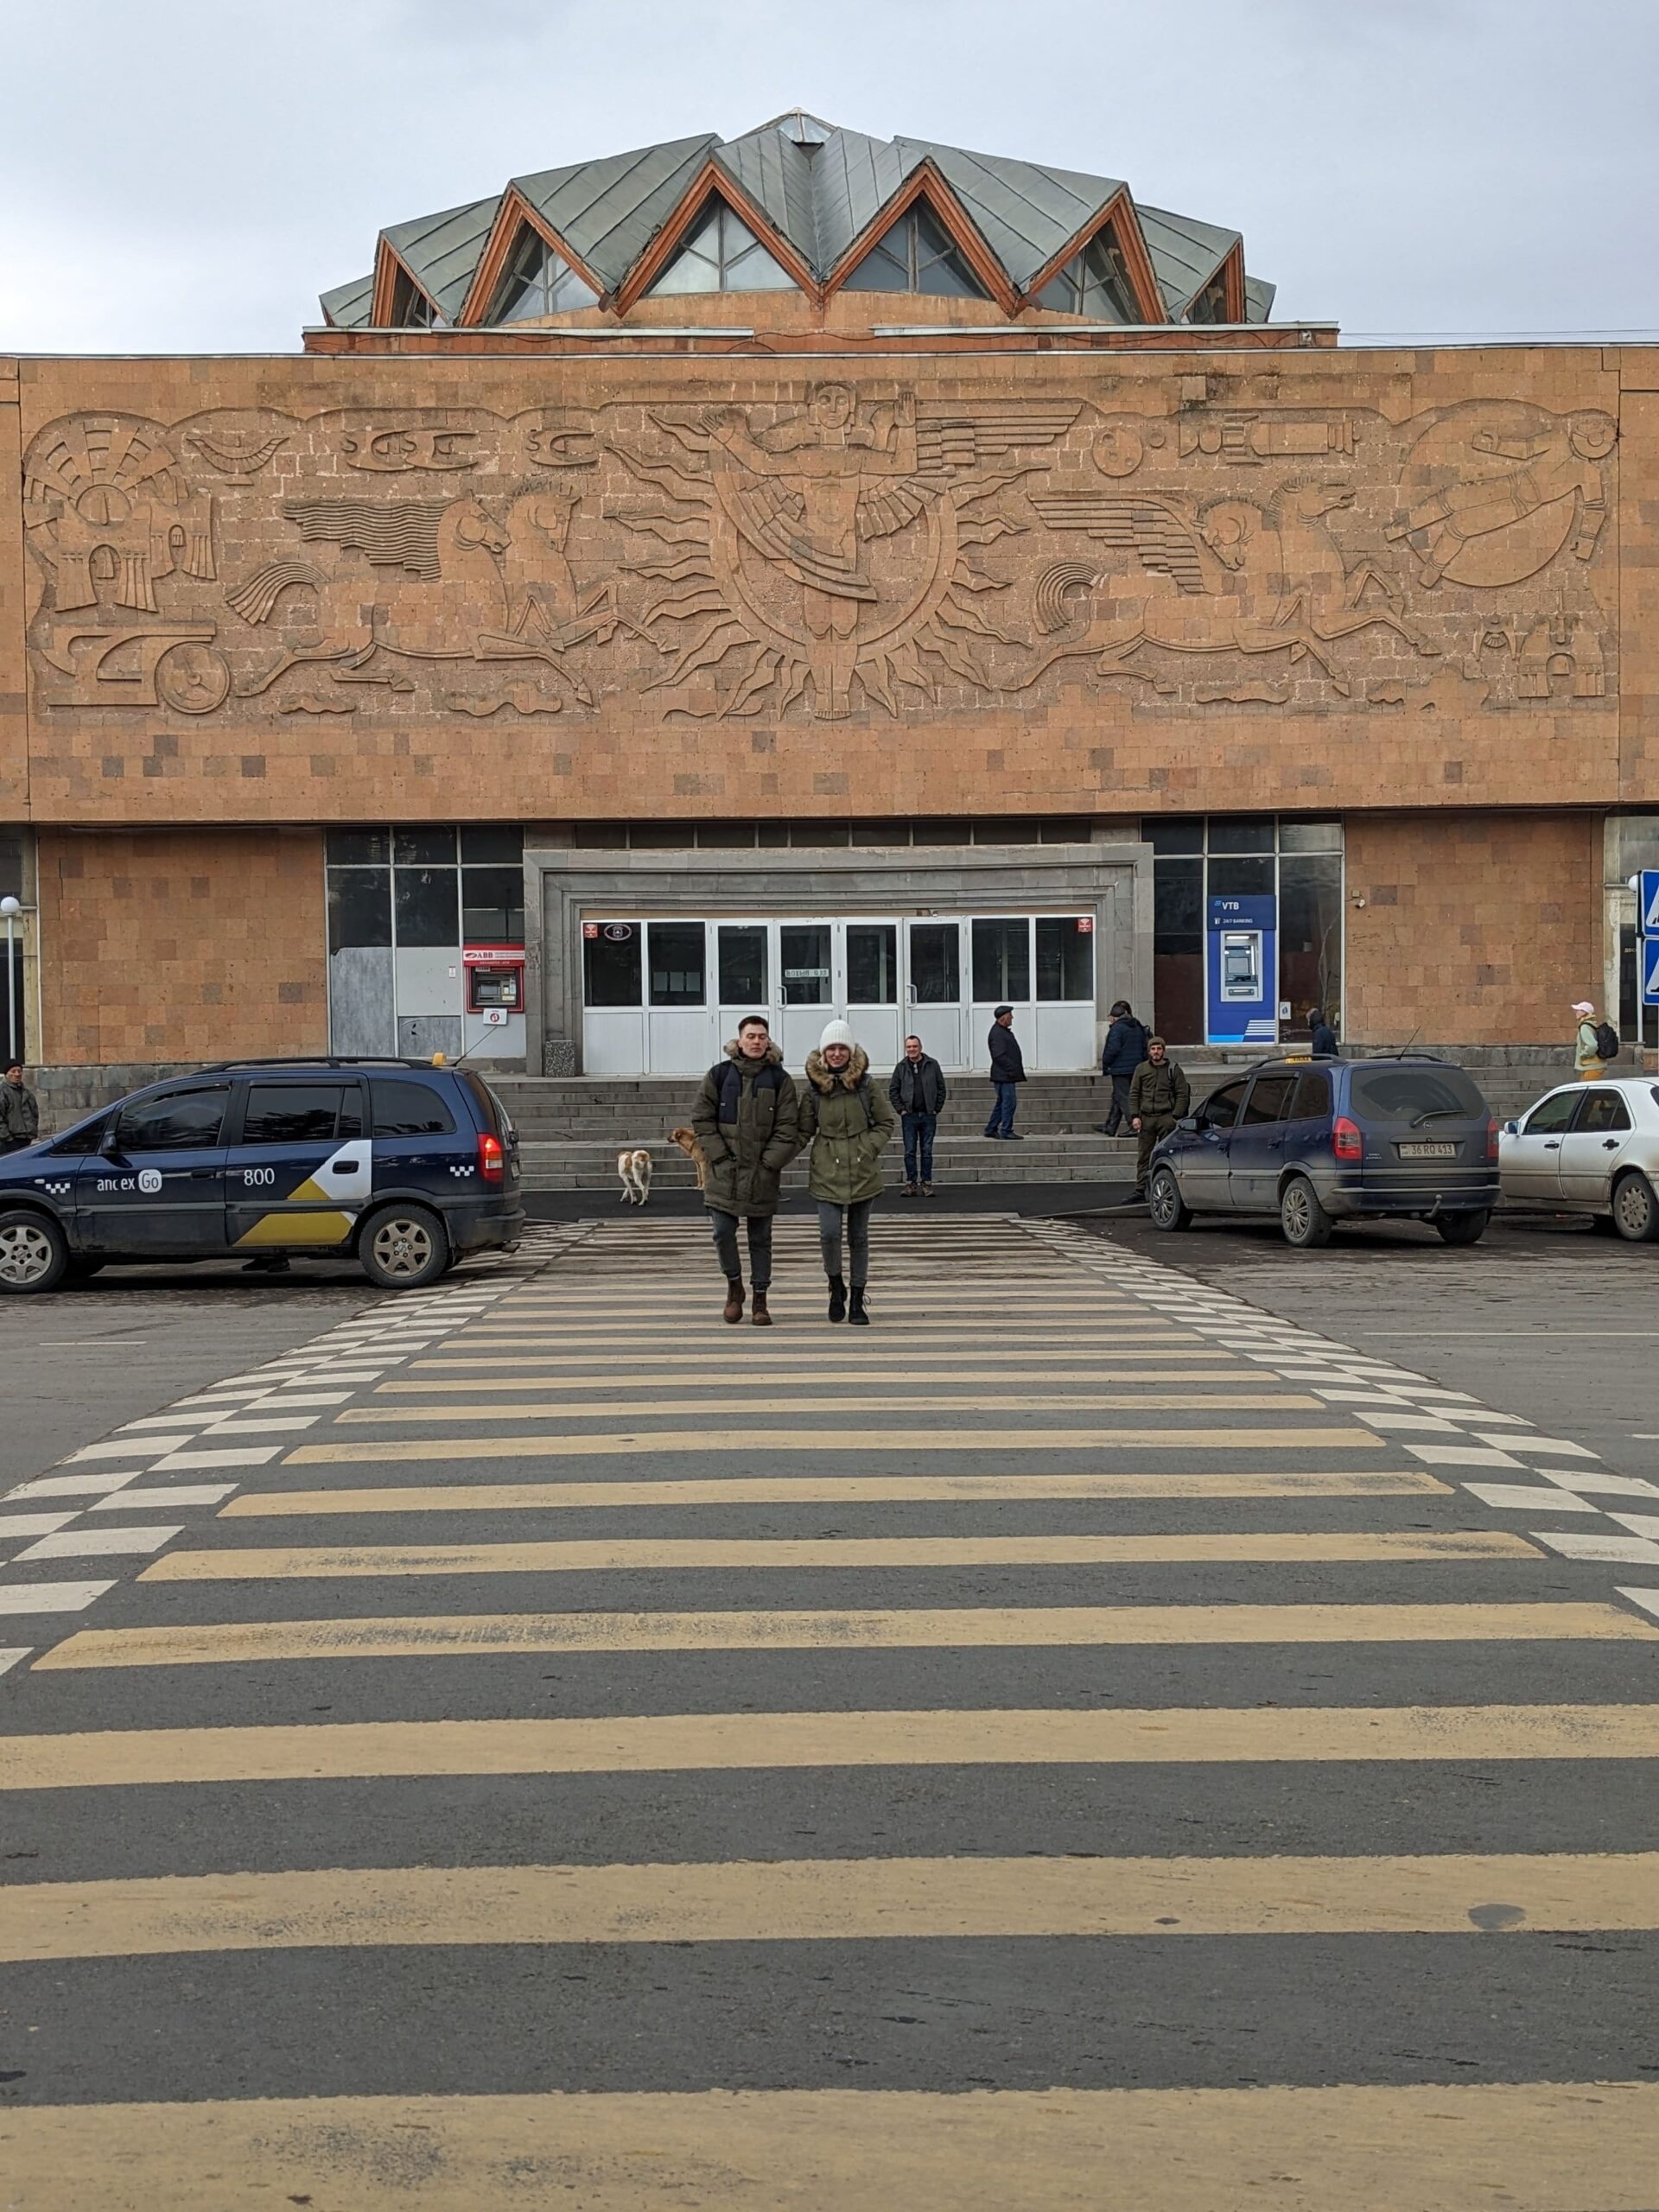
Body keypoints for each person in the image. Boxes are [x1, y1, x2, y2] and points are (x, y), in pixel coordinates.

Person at [690, 1014, 800, 1326]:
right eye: (750, 1036)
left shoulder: (780, 1080)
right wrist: (720, 1158)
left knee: (761, 1239)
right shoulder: (720, 1075)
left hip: (762, 1175)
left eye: (761, 1036)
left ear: (768, 1041)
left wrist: (769, 1163)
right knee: (722, 1232)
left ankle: (760, 1300)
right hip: (724, 1173)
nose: (756, 1041)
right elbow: (702, 1120)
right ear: (739, 1041)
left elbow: (788, 1128)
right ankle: (734, 1285)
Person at [799, 1018, 895, 1325]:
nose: (837, 1054)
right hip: (827, 1170)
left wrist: (868, 1147)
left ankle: (857, 1298)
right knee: (829, 1234)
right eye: (832, 1048)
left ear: (850, 1052)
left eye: (842, 1048)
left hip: (862, 1169)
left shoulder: (867, 1086)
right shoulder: (814, 1090)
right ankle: (835, 1286)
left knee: (859, 1237)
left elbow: (885, 1123)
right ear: (824, 1053)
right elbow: (802, 1130)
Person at [1128, 1035, 1192, 1199]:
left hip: (1166, 1118)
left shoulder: (1174, 1069)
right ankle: (1140, 1190)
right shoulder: (1141, 1069)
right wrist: (1135, 1116)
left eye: (1159, 1048)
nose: (1156, 1052)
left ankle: (1165, 1190)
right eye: (1153, 1049)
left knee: (1165, 1156)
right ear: (1149, 1051)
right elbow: (1134, 1093)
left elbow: (1182, 1094)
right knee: (1144, 1156)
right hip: (1146, 1118)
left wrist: (1175, 1116)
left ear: (1164, 1050)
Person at [889, 1033, 947, 1195]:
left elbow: (941, 1088)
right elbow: (893, 1090)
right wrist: (901, 1109)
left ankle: (927, 1183)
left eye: (914, 1046)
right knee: (909, 1151)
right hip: (909, 1116)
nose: (912, 1049)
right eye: (909, 1047)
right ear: (905, 1049)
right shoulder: (901, 1067)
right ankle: (911, 1183)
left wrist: (937, 1108)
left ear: (920, 1047)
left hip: (928, 1115)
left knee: (927, 1151)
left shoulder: (932, 1065)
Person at [1096, 1000, 1149, 1135]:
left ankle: (1133, 1125)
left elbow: (1112, 1049)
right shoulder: (1136, 1026)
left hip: (1120, 1069)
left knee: (1124, 1097)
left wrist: (1106, 1063)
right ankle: (1110, 1126)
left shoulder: (1117, 1028)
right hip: (1135, 1068)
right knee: (1118, 1097)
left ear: (1114, 1017)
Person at [984, 1005, 1026, 1140]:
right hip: (1004, 1075)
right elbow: (999, 1055)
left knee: (1002, 1103)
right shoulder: (998, 1033)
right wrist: (1012, 1068)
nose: (1012, 1018)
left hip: (1004, 1074)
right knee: (1009, 1103)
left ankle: (991, 1128)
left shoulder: (1001, 1031)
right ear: (1003, 1018)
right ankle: (1006, 1130)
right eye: (1010, 1015)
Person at [0, 1061, 39, 1154]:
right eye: (13, 1071)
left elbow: (34, 1113)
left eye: (19, 1071)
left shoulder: (26, 1092)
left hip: (25, 1139)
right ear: (6, 1074)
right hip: (8, 1141)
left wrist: (32, 1131)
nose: (17, 1074)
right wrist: (7, 1137)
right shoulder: (2, 1091)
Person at [1573, 1000, 1604, 1080]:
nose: (1575, 1012)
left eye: (1578, 1010)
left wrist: (1583, 1054)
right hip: (1594, 1066)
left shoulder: (1585, 1027)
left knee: (1587, 1091)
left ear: (1584, 1012)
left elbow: (1592, 1045)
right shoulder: (1591, 1024)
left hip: (1591, 1066)